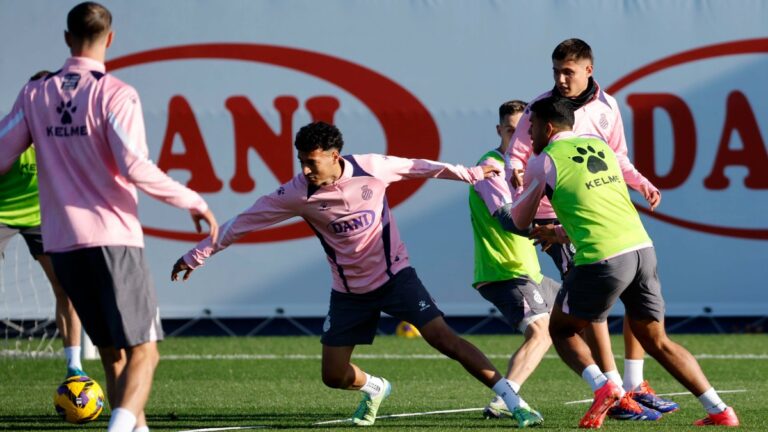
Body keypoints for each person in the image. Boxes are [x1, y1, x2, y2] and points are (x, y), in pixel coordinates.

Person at [172, 121, 528, 427]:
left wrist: (471, 173)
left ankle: (514, 401)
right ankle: (376, 387)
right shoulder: (296, 194)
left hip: (396, 278)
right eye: (301, 162)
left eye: (312, 162)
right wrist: (196, 255)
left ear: (334, 155)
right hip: (349, 292)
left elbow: (420, 166)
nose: (306, 170)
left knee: (444, 339)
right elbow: (242, 223)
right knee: (333, 376)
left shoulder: (372, 167)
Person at [0, 3, 218, 432]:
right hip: (112, 241)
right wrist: (194, 201)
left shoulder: (34, 94)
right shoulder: (116, 93)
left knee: (113, 354)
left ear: (66, 38)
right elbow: (135, 166)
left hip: (62, 244)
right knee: (145, 351)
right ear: (111, 38)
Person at [510, 96, 739, 428]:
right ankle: (720, 410)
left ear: (547, 127)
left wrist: (524, 205)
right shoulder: (598, 146)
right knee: (657, 340)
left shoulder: (543, 161)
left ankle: (606, 388)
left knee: (560, 329)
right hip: (641, 249)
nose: (527, 134)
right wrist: (560, 232)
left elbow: (519, 221)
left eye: (530, 127)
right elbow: (597, 209)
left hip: (602, 260)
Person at [506, 38, 675, 420]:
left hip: (599, 212)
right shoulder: (540, 109)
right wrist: (515, 175)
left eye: (568, 71)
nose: (561, 79)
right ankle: (615, 389)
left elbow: (619, 159)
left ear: (588, 70)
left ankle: (629, 383)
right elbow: (516, 157)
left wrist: (641, 182)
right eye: (555, 72)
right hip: (556, 216)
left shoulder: (607, 106)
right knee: (589, 308)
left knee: (628, 294)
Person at [467, 100, 560, 427]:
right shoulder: (491, 167)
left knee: (581, 312)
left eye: (521, 131)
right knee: (541, 331)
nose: (517, 137)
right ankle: (505, 398)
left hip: (529, 271)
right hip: (504, 270)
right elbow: (507, 219)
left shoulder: (532, 165)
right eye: (509, 131)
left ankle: (609, 389)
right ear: (500, 131)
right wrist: (551, 230)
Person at [0, 144, 86, 378]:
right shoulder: (11, 130)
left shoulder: (61, 133)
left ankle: (75, 367)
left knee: (66, 288)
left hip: (42, 215)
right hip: (1, 211)